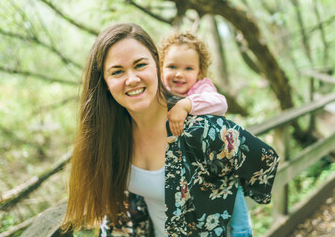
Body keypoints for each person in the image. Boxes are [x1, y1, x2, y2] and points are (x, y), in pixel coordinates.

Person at [62, 23, 279, 237]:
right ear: (105, 83)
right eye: (117, 71)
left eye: (139, 65)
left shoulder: (199, 129)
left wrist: (220, 192)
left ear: (156, 64)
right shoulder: (111, 136)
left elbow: (265, 161)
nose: (132, 79)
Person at [159, 32, 252, 236]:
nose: (179, 74)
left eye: (188, 68)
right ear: (160, 67)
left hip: (219, 165)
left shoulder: (202, 89)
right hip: (190, 176)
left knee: (233, 201)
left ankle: (243, 232)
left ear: (199, 72)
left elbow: (221, 103)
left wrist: (185, 105)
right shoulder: (159, 94)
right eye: (172, 66)